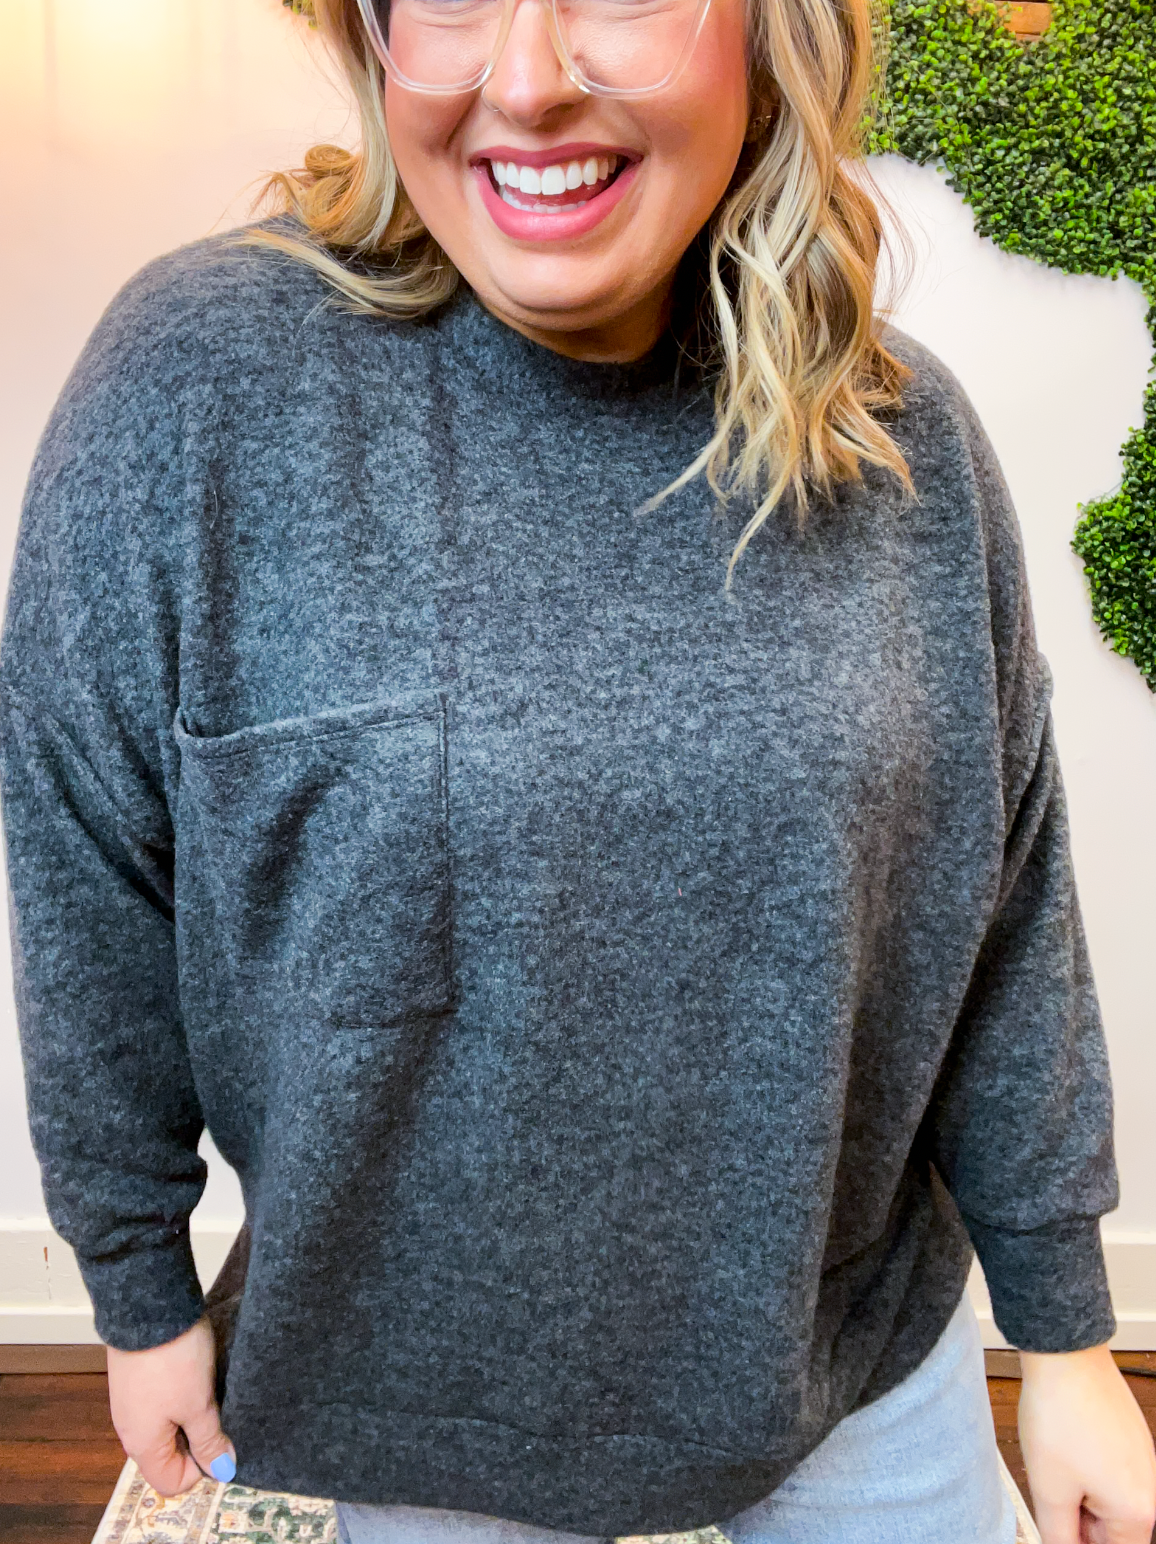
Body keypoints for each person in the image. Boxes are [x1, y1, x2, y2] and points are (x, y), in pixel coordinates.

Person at [0, 0, 1153, 1539]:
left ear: (769, 33)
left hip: (847, 1353)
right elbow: (86, 865)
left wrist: (1067, 1339)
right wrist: (137, 1285)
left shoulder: (902, 440)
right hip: (424, 1403)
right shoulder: (198, 385)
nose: (527, 81)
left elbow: (1004, 908)